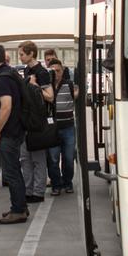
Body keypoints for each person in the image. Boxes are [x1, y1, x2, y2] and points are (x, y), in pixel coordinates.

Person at [0, 43, 28, 224]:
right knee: (15, 171)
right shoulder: (9, 73)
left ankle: (18, 210)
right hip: (16, 129)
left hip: (9, 132)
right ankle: (20, 207)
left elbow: (6, 106)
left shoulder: (3, 78)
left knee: (11, 172)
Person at [17, 41, 53, 204]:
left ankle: (38, 192)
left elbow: (50, 96)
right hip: (26, 120)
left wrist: (35, 85)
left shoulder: (42, 72)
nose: (20, 57)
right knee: (25, 159)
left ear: (31, 53)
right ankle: (28, 190)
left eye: (22, 54)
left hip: (38, 121)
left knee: (38, 159)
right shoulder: (26, 70)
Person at [46, 58, 78, 195]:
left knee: (69, 158)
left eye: (58, 71)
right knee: (53, 159)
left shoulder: (69, 85)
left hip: (68, 128)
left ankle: (67, 182)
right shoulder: (46, 88)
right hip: (52, 129)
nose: (56, 74)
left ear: (63, 71)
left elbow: (77, 95)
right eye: (52, 71)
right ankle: (56, 184)